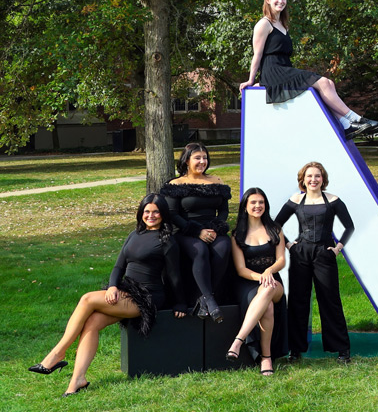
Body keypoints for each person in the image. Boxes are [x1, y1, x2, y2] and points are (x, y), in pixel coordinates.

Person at [29, 194, 185, 397]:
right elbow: (119, 266)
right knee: (92, 322)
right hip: (126, 289)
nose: (151, 215)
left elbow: (174, 276)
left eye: (156, 212)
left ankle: (58, 352)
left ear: (163, 214)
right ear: (141, 212)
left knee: (87, 299)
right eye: (147, 211)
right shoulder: (134, 234)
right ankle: (78, 380)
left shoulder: (167, 241)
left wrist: (180, 303)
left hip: (147, 297)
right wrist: (112, 287)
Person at [239, 0, 378, 138]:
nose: (281, 1)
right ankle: (355, 118)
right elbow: (257, 55)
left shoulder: (283, 25)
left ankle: (345, 125)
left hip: (285, 68)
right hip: (274, 71)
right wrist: (251, 80)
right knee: (323, 82)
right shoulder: (264, 24)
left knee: (329, 83)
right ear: (267, 0)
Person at [275, 162, 355, 363]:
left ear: (323, 179)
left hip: (324, 253)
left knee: (330, 300)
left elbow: (349, 227)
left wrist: (338, 248)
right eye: (309, 176)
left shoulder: (333, 200)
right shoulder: (296, 199)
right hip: (301, 254)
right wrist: (289, 245)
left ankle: (342, 349)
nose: (313, 180)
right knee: (298, 301)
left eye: (317, 176)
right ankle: (295, 350)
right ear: (303, 179)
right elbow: (276, 225)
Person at [160, 142, 232, 323]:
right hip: (186, 231)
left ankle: (204, 297)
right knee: (200, 250)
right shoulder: (176, 184)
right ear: (186, 160)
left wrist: (215, 228)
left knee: (223, 247)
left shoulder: (217, 181)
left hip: (213, 229)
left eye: (205, 158)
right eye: (197, 158)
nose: (202, 161)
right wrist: (197, 231)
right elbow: (172, 214)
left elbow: (224, 211)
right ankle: (210, 300)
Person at [226, 188, 286, 375]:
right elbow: (241, 269)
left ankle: (238, 340)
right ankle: (266, 358)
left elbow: (281, 260)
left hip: (273, 282)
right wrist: (261, 277)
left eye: (261, 202)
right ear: (245, 206)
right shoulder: (237, 235)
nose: (258, 206)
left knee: (268, 289)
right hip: (249, 282)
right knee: (267, 306)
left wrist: (268, 272)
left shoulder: (275, 229)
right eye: (253, 202)